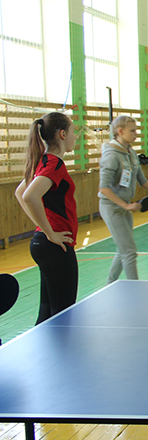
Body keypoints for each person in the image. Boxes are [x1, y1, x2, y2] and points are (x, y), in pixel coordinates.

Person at [14, 112, 79, 324]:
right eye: (73, 132)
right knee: (63, 314)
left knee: (48, 314)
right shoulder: (54, 164)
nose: (75, 137)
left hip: (45, 244)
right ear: (62, 134)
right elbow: (29, 196)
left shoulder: (43, 161)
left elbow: (20, 193)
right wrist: (50, 232)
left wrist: (43, 228)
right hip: (55, 246)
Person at [98, 116, 148, 281]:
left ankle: (110, 284)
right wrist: (125, 206)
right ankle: (135, 289)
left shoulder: (131, 153)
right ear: (120, 131)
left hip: (125, 205)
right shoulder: (111, 155)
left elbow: (143, 181)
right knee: (129, 252)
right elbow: (103, 188)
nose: (136, 134)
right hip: (111, 207)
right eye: (132, 131)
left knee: (124, 249)